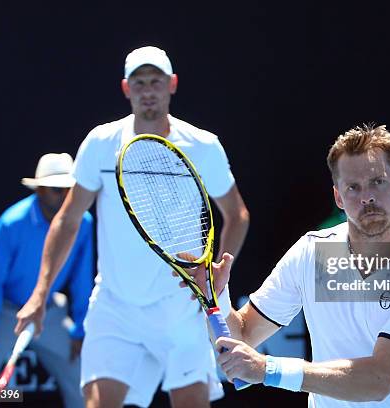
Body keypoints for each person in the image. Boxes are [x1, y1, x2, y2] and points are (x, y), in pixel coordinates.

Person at [15, 46, 250, 408]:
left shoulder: (203, 147)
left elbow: (236, 214)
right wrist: (40, 293)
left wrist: (215, 274)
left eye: (155, 81)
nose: (147, 90)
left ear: (172, 85)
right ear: (126, 89)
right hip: (116, 305)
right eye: (139, 82)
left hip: (180, 309)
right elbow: (68, 218)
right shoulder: (100, 143)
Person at [191, 125, 390, 407]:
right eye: (353, 187)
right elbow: (243, 336)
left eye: (378, 182)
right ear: (338, 198)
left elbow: (378, 379)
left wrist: (269, 369)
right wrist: (216, 296)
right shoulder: (311, 253)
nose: (367, 196)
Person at [0, 153, 93, 408]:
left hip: (49, 313)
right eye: (57, 190)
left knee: (84, 379)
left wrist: (80, 328)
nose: (65, 198)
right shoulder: (11, 223)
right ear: (39, 189)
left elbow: (81, 280)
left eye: (70, 190)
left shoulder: (83, 223)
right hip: (4, 313)